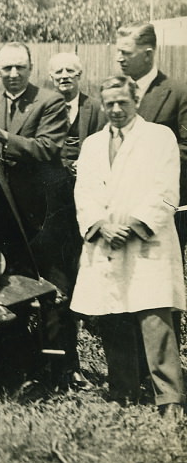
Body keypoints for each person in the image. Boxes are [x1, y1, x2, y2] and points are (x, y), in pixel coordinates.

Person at [71, 76, 185, 415]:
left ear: (136, 100)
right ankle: (123, 391)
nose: (116, 109)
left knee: (154, 318)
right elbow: (84, 191)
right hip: (105, 240)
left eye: (122, 102)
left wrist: (133, 226)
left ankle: (170, 399)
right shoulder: (92, 143)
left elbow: (165, 191)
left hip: (145, 242)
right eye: (110, 104)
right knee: (113, 316)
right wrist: (100, 225)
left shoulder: (158, 137)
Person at [0, 42, 80, 388]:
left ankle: (62, 369)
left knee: (53, 290)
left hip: (42, 214)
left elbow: (48, 149)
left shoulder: (50, 101)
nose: (13, 75)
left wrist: (0, 136)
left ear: (31, 68)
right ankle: (17, 368)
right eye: (7, 69)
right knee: (10, 286)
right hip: (4, 214)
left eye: (20, 68)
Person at [115, 21, 187, 246]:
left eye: (126, 53)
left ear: (147, 55)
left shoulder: (177, 93)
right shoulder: (116, 92)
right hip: (119, 205)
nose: (119, 58)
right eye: (118, 51)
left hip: (160, 207)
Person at [49, 52, 105, 174]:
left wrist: (86, 163)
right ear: (51, 77)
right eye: (58, 72)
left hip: (87, 175)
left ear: (79, 75)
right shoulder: (43, 109)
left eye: (69, 71)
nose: (64, 76)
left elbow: (103, 146)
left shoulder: (97, 108)